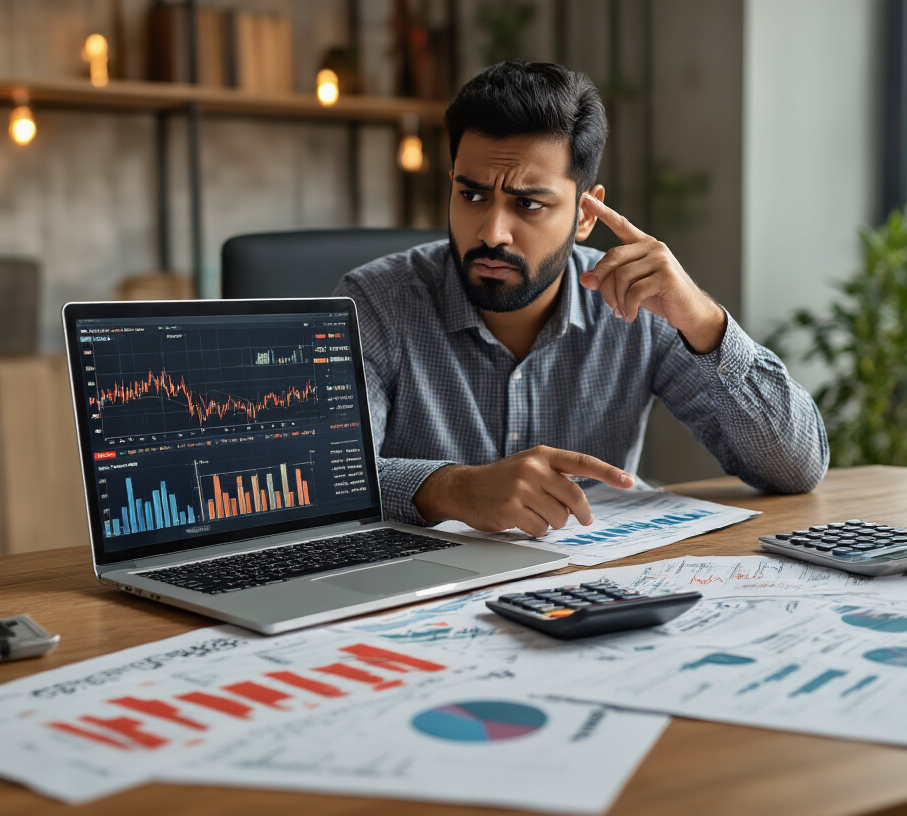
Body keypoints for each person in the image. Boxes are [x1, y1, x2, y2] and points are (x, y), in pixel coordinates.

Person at [334, 59, 828, 538]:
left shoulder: (638, 305)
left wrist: (702, 321)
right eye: (473, 196)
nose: (492, 233)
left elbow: (795, 468)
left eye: (527, 203)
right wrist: (453, 489)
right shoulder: (375, 303)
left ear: (586, 213)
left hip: (594, 589)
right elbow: (322, 481)